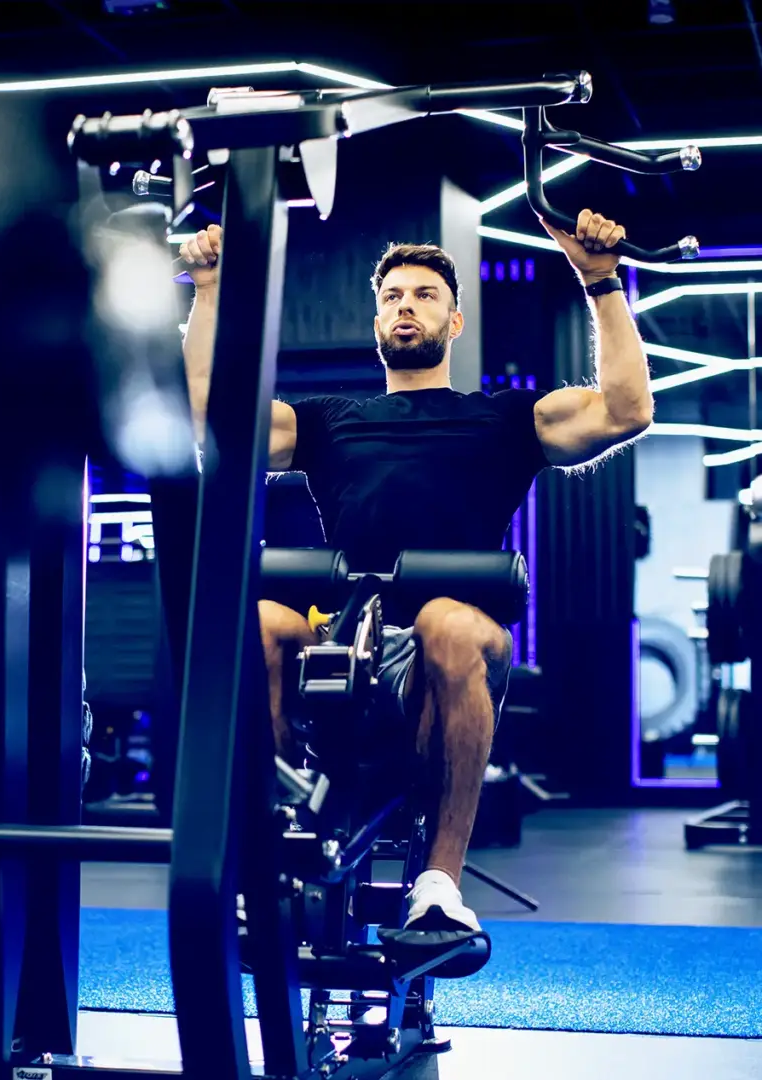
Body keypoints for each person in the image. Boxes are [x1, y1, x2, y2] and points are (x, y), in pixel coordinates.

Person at [178, 210, 652, 933]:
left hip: (454, 644)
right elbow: (212, 416)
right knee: (263, 621)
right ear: (377, 321)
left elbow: (626, 409)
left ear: (454, 322)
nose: (406, 305)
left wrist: (600, 281)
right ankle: (275, 856)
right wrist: (208, 290)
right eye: (393, 295)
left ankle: (438, 884)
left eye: (425, 295)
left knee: (445, 621)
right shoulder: (330, 419)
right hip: (347, 636)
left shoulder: (502, 418)